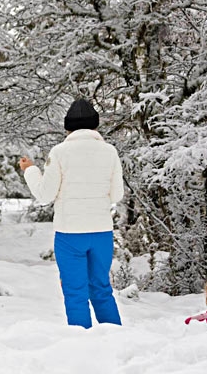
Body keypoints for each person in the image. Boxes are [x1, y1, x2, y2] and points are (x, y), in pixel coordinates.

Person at [18, 98, 124, 329]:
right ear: (95, 126)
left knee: (75, 291)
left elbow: (45, 194)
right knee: (102, 289)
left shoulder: (59, 152)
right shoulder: (109, 152)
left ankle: (82, 345)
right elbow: (117, 195)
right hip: (101, 232)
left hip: (70, 234)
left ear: (68, 128)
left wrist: (30, 170)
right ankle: (117, 341)